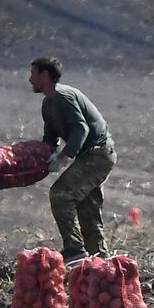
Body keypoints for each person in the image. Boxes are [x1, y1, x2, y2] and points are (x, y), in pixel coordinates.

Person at [30, 56, 117, 262]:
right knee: (87, 208)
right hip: (88, 157)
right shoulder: (48, 104)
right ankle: (99, 259)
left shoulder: (63, 95)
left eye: (33, 74)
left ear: (45, 75)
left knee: (61, 194)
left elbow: (81, 128)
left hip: (98, 154)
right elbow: (50, 139)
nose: (30, 79)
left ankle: (74, 248)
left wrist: (64, 157)